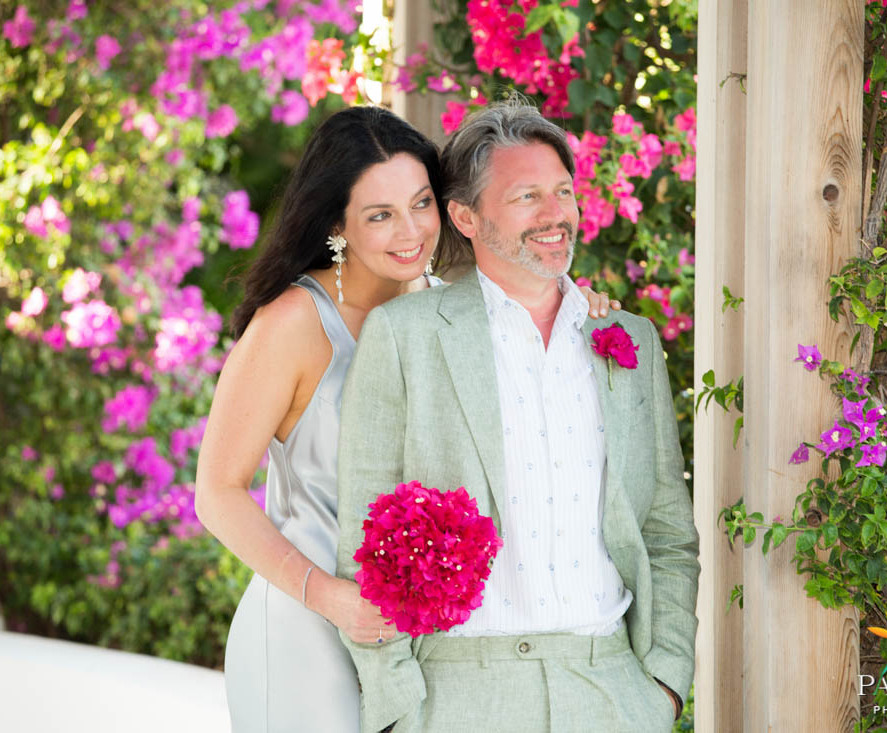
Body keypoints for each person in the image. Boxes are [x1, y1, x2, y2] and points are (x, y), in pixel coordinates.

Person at [194, 105, 620, 732]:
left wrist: (579, 310)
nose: (410, 232)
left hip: (407, 638)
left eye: (421, 204)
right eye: (380, 215)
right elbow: (217, 493)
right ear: (336, 223)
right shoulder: (292, 324)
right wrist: (328, 597)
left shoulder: (443, 310)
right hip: (307, 625)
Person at [335, 100, 699, 733]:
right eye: (527, 196)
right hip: (456, 696)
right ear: (466, 216)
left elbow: (667, 529)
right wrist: (399, 708)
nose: (555, 214)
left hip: (612, 691)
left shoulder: (629, 340)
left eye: (563, 191)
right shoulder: (406, 336)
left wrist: (663, 684)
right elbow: (366, 542)